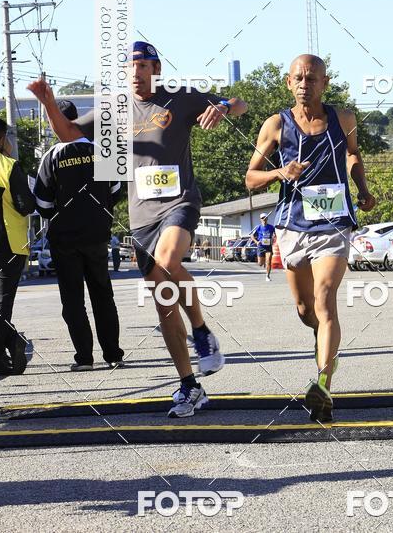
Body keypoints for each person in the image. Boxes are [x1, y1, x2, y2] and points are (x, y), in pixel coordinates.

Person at [29, 41, 247, 416]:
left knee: (168, 259)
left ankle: (201, 331)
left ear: (156, 68)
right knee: (164, 305)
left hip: (179, 202)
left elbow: (238, 103)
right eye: (129, 66)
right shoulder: (114, 110)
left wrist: (224, 107)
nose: (136, 72)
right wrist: (48, 101)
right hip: (141, 215)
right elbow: (67, 133)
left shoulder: (181, 97)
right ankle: (188, 386)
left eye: (143, 65)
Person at [246, 54, 375, 422]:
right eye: (299, 78)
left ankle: (323, 386)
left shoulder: (344, 119)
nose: (306, 84)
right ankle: (325, 340)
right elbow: (250, 178)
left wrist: (362, 189)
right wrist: (279, 173)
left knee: (325, 300)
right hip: (292, 226)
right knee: (306, 311)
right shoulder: (276, 125)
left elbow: (353, 155)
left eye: (312, 78)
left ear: (325, 82)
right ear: (289, 83)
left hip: (334, 224)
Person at [34, 100, 125, 371]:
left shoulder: (52, 155)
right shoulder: (101, 150)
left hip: (65, 240)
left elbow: (42, 201)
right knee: (103, 295)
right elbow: (115, 190)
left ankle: (84, 358)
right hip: (97, 235)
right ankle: (113, 354)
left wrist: (61, 216)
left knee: (73, 299)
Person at [0, 118, 35, 375]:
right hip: (6, 245)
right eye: (7, 137)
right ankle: (9, 344)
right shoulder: (7, 166)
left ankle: (5, 350)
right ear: (0, 140)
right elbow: (25, 205)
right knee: (1, 304)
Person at [248, 212, 276, 281]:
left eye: (265, 218)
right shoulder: (258, 227)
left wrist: (273, 238)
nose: (264, 219)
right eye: (262, 218)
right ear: (260, 219)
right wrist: (256, 242)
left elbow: (275, 234)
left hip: (268, 246)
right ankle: (263, 263)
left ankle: (267, 276)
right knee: (260, 263)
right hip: (261, 247)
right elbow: (251, 235)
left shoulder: (271, 227)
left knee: (268, 261)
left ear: (267, 218)